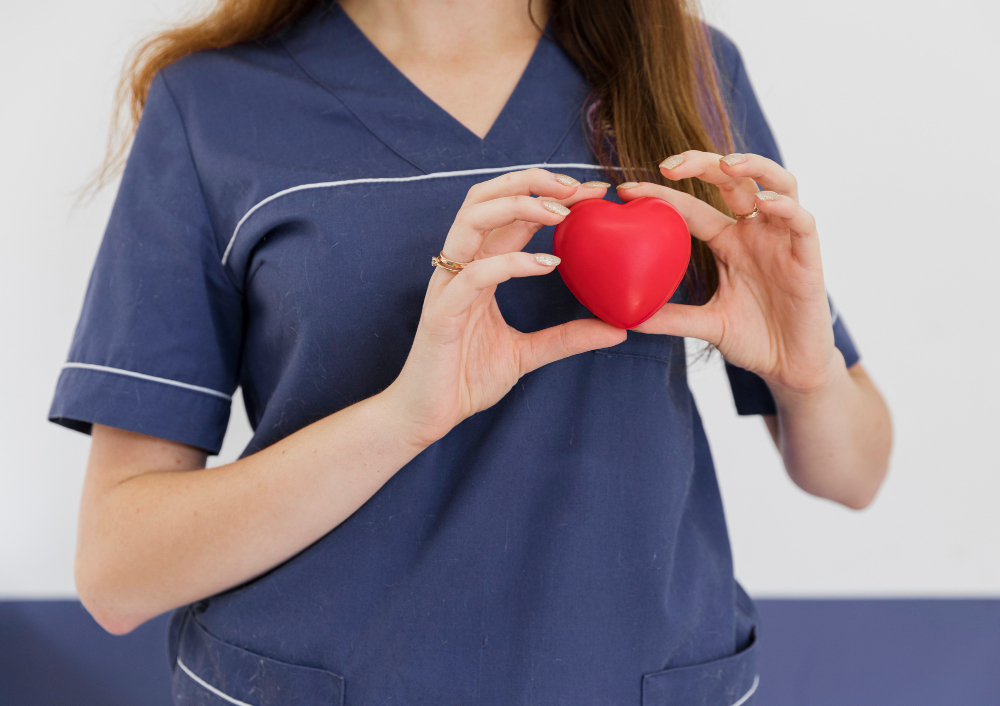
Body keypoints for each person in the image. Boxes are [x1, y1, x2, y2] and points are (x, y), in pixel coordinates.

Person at [49, 0, 893, 703]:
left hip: (633, 674)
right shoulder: (212, 103)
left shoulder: (684, 67)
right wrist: (402, 419)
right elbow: (120, 573)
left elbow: (853, 475)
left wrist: (806, 368)